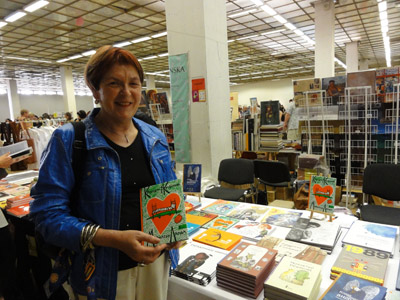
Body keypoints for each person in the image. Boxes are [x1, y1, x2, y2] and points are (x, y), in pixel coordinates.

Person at [30, 45, 180, 300]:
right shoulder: (69, 139)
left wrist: (175, 230)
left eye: (134, 83)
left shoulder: (154, 137)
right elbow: (47, 216)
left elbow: (167, 193)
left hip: (155, 264)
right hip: (101, 273)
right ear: (94, 88)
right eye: (114, 83)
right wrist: (113, 238)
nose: (127, 93)